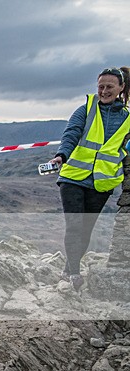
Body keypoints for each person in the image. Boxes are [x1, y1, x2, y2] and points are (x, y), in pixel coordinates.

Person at [48, 66, 130, 290]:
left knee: (86, 230)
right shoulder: (85, 109)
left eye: (109, 87)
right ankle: (74, 274)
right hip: (73, 177)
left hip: (101, 183)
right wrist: (61, 155)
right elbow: (71, 133)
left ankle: (68, 269)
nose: (104, 91)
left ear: (121, 88)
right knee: (74, 225)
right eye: (100, 86)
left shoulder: (128, 119)